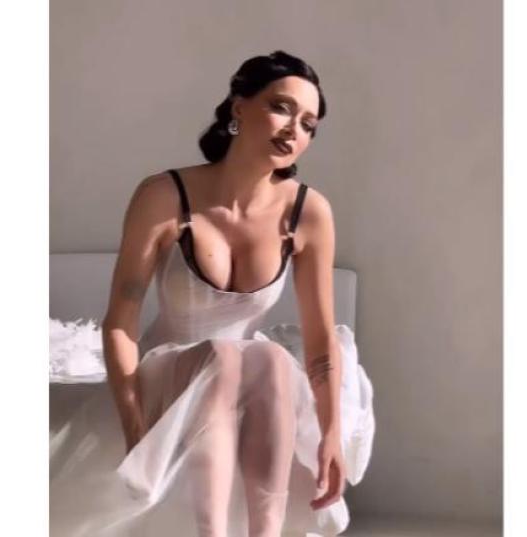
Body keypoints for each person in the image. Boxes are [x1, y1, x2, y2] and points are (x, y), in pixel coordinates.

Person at [49, 50, 375, 537]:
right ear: (239, 107)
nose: (294, 130)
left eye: (309, 124)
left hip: (248, 376)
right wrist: (136, 429)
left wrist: (330, 434)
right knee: (226, 356)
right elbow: (120, 322)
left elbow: (320, 342)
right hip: (164, 374)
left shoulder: (309, 212)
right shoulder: (164, 195)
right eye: (281, 108)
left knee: (266, 357)